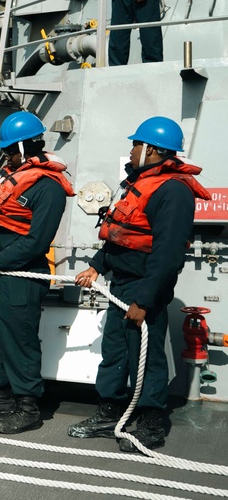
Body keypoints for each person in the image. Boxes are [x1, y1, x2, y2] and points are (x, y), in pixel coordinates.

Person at [70, 117, 209, 452]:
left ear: (152, 149)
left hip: (145, 286)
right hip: (121, 283)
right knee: (114, 351)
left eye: (135, 144)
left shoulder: (173, 191)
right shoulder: (137, 183)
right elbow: (120, 236)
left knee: (144, 355)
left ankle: (150, 419)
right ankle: (109, 411)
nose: (130, 150)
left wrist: (144, 299)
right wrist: (96, 266)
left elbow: (168, 254)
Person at [0, 111, 73, 434]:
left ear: (24, 146)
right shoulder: (11, 176)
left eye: (9, 149)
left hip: (22, 276)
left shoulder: (48, 188)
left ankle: (28, 405)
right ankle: (2, 394)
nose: (5, 155)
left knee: (20, 340)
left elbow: (37, 242)